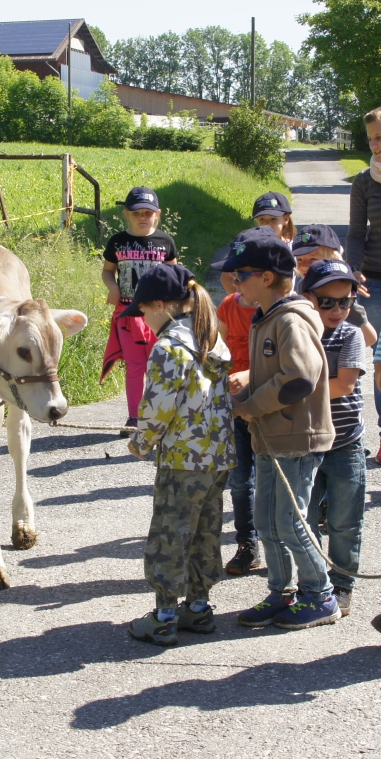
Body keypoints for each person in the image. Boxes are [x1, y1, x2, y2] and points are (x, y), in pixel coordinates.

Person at [228, 227, 340, 630]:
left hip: (297, 437)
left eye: (241, 275)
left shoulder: (291, 319)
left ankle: (320, 595)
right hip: (271, 437)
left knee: (291, 521)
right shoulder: (267, 317)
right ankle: (282, 591)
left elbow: (299, 378)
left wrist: (252, 406)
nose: (235, 281)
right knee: (267, 519)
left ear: (267, 277)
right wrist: (246, 381)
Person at [121, 264, 236, 647]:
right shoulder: (210, 337)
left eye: (144, 313)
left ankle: (164, 616)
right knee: (205, 531)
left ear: (160, 305)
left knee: (170, 534)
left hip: (182, 460)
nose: (143, 322)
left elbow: (157, 408)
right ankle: (199, 608)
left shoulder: (169, 347)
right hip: (216, 456)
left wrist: (140, 443)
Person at [303, 260, 366, 618]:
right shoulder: (299, 332)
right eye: (327, 302)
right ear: (307, 297)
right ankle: (315, 584)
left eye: (346, 301)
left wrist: (291, 395)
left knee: (344, 521)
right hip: (306, 441)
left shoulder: (350, 334)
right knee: (305, 519)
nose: (337, 310)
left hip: (345, 443)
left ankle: (343, 583)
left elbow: (345, 385)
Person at [100, 187, 177, 434]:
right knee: (135, 366)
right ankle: (134, 417)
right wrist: (112, 287)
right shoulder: (117, 241)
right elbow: (107, 270)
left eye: (148, 213)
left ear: (157, 214)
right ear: (127, 214)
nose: (143, 217)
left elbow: (174, 274)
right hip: (128, 313)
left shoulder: (166, 242)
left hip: (158, 315)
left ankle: (159, 415)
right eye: (137, 214)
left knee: (159, 365)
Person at [212, 243, 261, 575]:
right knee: (241, 481)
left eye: (239, 273)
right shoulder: (228, 306)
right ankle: (248, 544)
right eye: (231, 273)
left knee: (273, 479)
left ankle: (283, 547)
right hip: (235, 406)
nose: (232, 278)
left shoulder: (276, 310)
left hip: (270, 404)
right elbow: (219, 353)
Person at [347, 107, 381, 460]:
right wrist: (352, 268)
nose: (375, 144)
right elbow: (356, 234)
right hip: (374, 280)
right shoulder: (364, 181)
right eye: (372, 137)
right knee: (379, 358)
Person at [292, 224, 377, 348]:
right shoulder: (302, 286)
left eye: (313, 259)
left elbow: (370, 338)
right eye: (299, 259)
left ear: (333, 259)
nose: (304, 265)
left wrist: (344, 349)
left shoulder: (341, 296)